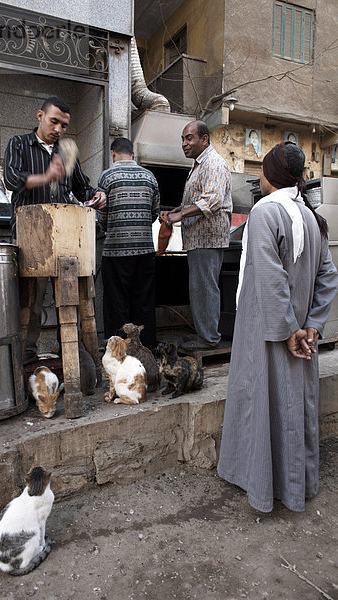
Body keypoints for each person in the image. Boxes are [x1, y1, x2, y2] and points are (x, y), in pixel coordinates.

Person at [217, 142, 338, 513]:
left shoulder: (265, 213)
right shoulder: (313, 218)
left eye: (262, 170)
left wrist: (289, 332)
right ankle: (295, 483)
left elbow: (270, 279)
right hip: (300, 334)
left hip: (268, 333)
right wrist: (312, 327)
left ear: (271, 174)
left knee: (263, 402)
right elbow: (328, 277)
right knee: (293, 406)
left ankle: (263, 485)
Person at [4, 96, 105, 364]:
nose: (59, 129)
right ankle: (26, 359)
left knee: (69, 298)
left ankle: (72, 355)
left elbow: (82, 187)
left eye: (64, 125)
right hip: (31, 235)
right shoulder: (18, 144)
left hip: (64, 235)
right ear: (40, 116)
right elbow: (11, 179)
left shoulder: (66, 150)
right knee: (32, 301)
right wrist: (45, 176)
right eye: (54, 122)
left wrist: (97, 194)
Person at [162, 120, 232, 350]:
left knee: (204, 287)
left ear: (204, 139)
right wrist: (177, 210)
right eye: (183, 139)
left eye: (189, 138)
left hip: (207, 237)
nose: (184, 143)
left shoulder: (213, 163)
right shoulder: (200, 164)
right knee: (200, 287)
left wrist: (179, 215)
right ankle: (205, 335)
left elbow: (212, 200)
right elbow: (199, 199)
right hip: (199, 238)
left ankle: (209, 338)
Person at [97, 137, 160, 350]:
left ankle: (119, 352)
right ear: (132, 155)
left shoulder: (107, 177)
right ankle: (146, 349)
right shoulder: (150, 177)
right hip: (144, 251)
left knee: (116, 304)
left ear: (113, 154)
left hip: (115, 252)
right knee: (143, 302)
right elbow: (154, 213)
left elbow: (102, 217)